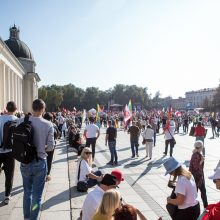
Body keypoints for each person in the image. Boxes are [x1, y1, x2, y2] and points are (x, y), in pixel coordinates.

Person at [19, 99, 54, 220]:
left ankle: (26, 218)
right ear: (43, 109)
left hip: (24, 161)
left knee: (27, 193)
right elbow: (50, 147)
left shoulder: (22, 120)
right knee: (37, 197)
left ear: (33, 108)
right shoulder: (48, 124)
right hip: (39, 161)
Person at [0, 101, 17, 204]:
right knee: (9, 173)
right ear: (15, 109)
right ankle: (7, 195)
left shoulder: (0, 118)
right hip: (10, 151)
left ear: (6, 108)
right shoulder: (17, 120)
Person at [189, 140, 208, 208]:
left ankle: (202, 206)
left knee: (199, 191)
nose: (203, 148)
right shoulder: (196, 155)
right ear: (200, 147)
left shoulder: (196, 153)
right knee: (201, 191)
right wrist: (202, 160)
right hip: (197, 176)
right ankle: (204, 206)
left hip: (197, 176)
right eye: (202, 146)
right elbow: (196, 166)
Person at [43, 112, 58, 182]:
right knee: (49, 160)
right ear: (51, 119)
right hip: (51, 146)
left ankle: (41, 173)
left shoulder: (41, 124)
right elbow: (57, 134)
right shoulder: (53, 125)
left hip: (41, 145)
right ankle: (47, 174)